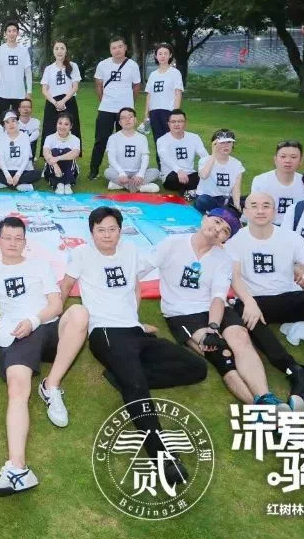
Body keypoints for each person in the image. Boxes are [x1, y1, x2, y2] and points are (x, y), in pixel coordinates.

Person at [61, 207, 207, 486]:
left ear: (120, 230)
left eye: (112, 229)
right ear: (91, 232)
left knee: (196, 368)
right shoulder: (81, 254)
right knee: (138, 386)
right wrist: (57, 318)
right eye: (100, 230)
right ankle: (163, 457)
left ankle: (123, 378)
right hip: (105, 331)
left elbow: (136, 286)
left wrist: (137, 320)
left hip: (134, 331)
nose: (107, 235)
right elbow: (66, 285)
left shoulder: (129, 251)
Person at [0, 217, 86, 496]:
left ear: (25, 242)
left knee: (78, 313)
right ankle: (18, 469)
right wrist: (3, 320)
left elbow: (56, 305)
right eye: (7, 238)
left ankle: (51, 385)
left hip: (45, 325)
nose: (13, 243)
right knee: (17, 389)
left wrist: (33, 320)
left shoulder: (40, 265)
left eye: (18, 238)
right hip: (17, 333)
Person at [155, 208, 294, 409]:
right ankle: (260, 408)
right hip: (182, 312)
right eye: (217, 221)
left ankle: (266, 396)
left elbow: (218, 296)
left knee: (241, 339)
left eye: (226, 230)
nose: (218, 229)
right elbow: (139, 269)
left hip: (213, 307)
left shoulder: (223, 258)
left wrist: (213, 327)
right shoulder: (172, 243)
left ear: (226, 239)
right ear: (205, 219)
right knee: (221, 353)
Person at [227, 192, 304, 404]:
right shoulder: (236, 241)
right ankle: (295, 370)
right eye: (254, 206)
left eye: (266, 205)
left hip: (287, 297)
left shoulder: (290, 238)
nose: (260, 210)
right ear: (245, 211)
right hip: (257, 302)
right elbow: (236, 277)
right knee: (242, 311)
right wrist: (249, 302)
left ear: (274, 211)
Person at [90, 36, 142, 180]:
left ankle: (122, 170)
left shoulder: (132, 65)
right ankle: (94, 170)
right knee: (101, 140)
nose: (117, 50)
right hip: (106, 108)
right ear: (110, 50)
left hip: (125, 111)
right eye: (114, 48)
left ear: (125, 48)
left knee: (124, 141)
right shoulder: (103, 65)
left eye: (120, 47)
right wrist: (104, 101)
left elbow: (136, 86)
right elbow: (99, 85)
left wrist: (129, 104)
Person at [143, 43, 184, 166]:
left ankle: (175, 168)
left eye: (165, 53)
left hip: (169, 112)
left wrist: (175, 114)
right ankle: (161, 168)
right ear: (156, 56)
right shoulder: (153, 75)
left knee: (171, 140)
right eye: (160, 53)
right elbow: (149, 95)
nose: (162, 56)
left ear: (170, 55)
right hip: (154, 112)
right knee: (158, 141)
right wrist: (146, 114)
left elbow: (178, 93)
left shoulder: (175, 73)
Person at [248, 140, 304, 225]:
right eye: (283, 156)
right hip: (268, 226)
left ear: (301, 160)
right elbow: (253, 211)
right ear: (275, 159)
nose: (288, 160)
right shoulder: (261, 181)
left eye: (293, 157)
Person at [104, 107, 160, 192]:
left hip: (137, 172)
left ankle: (121, 185)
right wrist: (121, 173)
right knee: (108, 172)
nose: (127, 120)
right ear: (119, 122)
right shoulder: (113, 138)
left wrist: (140, 174)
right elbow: (111, 158)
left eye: (130, 117)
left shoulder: (142, 138)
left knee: (155, 172)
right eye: (123, 118)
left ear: (135, 120)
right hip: (119, 172)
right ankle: (140, 187)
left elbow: (145, 157)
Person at [156, 109, 208, 199]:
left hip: (189, 173)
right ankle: (195, 190)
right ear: (168, 124)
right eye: (173, 122)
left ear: (185, 123)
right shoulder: (162, 140)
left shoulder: (194, 137)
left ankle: (190, 191)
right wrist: (179, 171)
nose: (176, 124)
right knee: (174, 180)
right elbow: (165, 158)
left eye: (180, 121)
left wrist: (207, 169)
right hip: (171, 175)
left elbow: (205, 156)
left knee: (206, 176)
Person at [40, 40, 82, 148]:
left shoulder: (73, 66)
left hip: (69, 102)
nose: (59, 51)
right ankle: (49, 155)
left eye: (62, 48)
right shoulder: (49, 69)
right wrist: (55, 103)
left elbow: (75, 87)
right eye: (57, 48)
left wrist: (63, 101)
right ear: (53, 51)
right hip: (52, 103)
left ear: (66, 51)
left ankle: (70, 154)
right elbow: (44, 90)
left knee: (71, 130)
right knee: (50, 129)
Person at [0, 111, 40, 192]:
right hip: (5, 171)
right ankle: (19, 184)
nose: (11, 124)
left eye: (13, 121)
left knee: (37, 173)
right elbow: (1, 158)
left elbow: (26, 158)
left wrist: (18, 175)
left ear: (18, 122)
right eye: (7, 122)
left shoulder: (25, 137)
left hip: (22, 171)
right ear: (4, 125)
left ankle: (4, 183)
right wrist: (7, 176)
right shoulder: (1, 138)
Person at [195, 128, 245, 213]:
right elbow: (204, 175)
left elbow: (236, 189)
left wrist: (237, 203)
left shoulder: (237, 164)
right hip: (208, 198)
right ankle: (226, 212)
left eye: (229, 142)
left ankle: (225, 210)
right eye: (222, 142)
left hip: (226, 199)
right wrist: (213, 154)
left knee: (249, 199)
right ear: (214, 144)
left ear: (233, 144)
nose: (226, 145)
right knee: (202, 200)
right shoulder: (204, 160)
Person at [0, 21, 31, 123]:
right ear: (5, 33)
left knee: (18, 122)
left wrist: (29, 91)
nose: (12, 33)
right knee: (1, 122)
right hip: (2, 93)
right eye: (9, 31)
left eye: (14, 31)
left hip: (19, 93)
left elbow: (28, 72)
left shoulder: (23, 50)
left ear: (17, 33)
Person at [42, 112, 81, 195]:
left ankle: (67, 184)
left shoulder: (75, 139)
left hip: (69, 169)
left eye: (66, 124)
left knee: (67, 150)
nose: (62, 127)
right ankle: (59, 184)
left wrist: (57, 158)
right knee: (54, 151)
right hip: (53, 169)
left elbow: (75, 153)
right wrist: (55, 165)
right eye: (60, 123)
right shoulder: (49, 138)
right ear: (56, 124)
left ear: (71, 126)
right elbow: (45, 153)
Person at [16, 98, 41, 163]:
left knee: (33, 138)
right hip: (17, 147)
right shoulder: (14, 122)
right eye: (23, 107)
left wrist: (26, 141)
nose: (26, 109)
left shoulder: (36, 121)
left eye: (28, 107)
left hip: (30, 146)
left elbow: (37, 133)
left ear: (31, 109)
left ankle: (30, 159)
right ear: (19, 109)